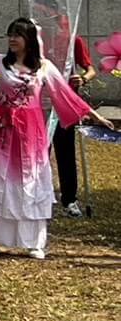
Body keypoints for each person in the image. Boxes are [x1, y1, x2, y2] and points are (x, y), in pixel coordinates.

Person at [0, 16, 112, 258]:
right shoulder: (0, 63)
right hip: (3, 133)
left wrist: (95, 117)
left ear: (30, 40)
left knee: (31, 182)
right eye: (10, 34)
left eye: (17, 35)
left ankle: (34, 242)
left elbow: (65, 95)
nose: (12, 39)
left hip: (31, 135)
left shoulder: (44, 67)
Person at [55, 34, 97, 218]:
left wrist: (83, 79)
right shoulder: (36, 38)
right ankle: (36, 197)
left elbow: (90, 69)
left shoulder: (72, 39)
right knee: (36, 154)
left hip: (66, 105)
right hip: (40, 106)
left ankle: (70, 199)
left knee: (65, 153)